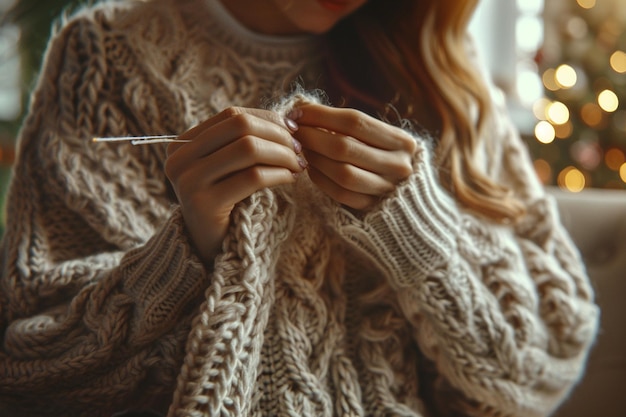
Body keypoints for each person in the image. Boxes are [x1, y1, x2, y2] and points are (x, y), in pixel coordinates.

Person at [0, 0, 600, 416]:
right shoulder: (106, 53)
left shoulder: (440, 62)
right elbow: (37, 371)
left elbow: (544, 367)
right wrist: (188, 248)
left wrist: (419, 231)